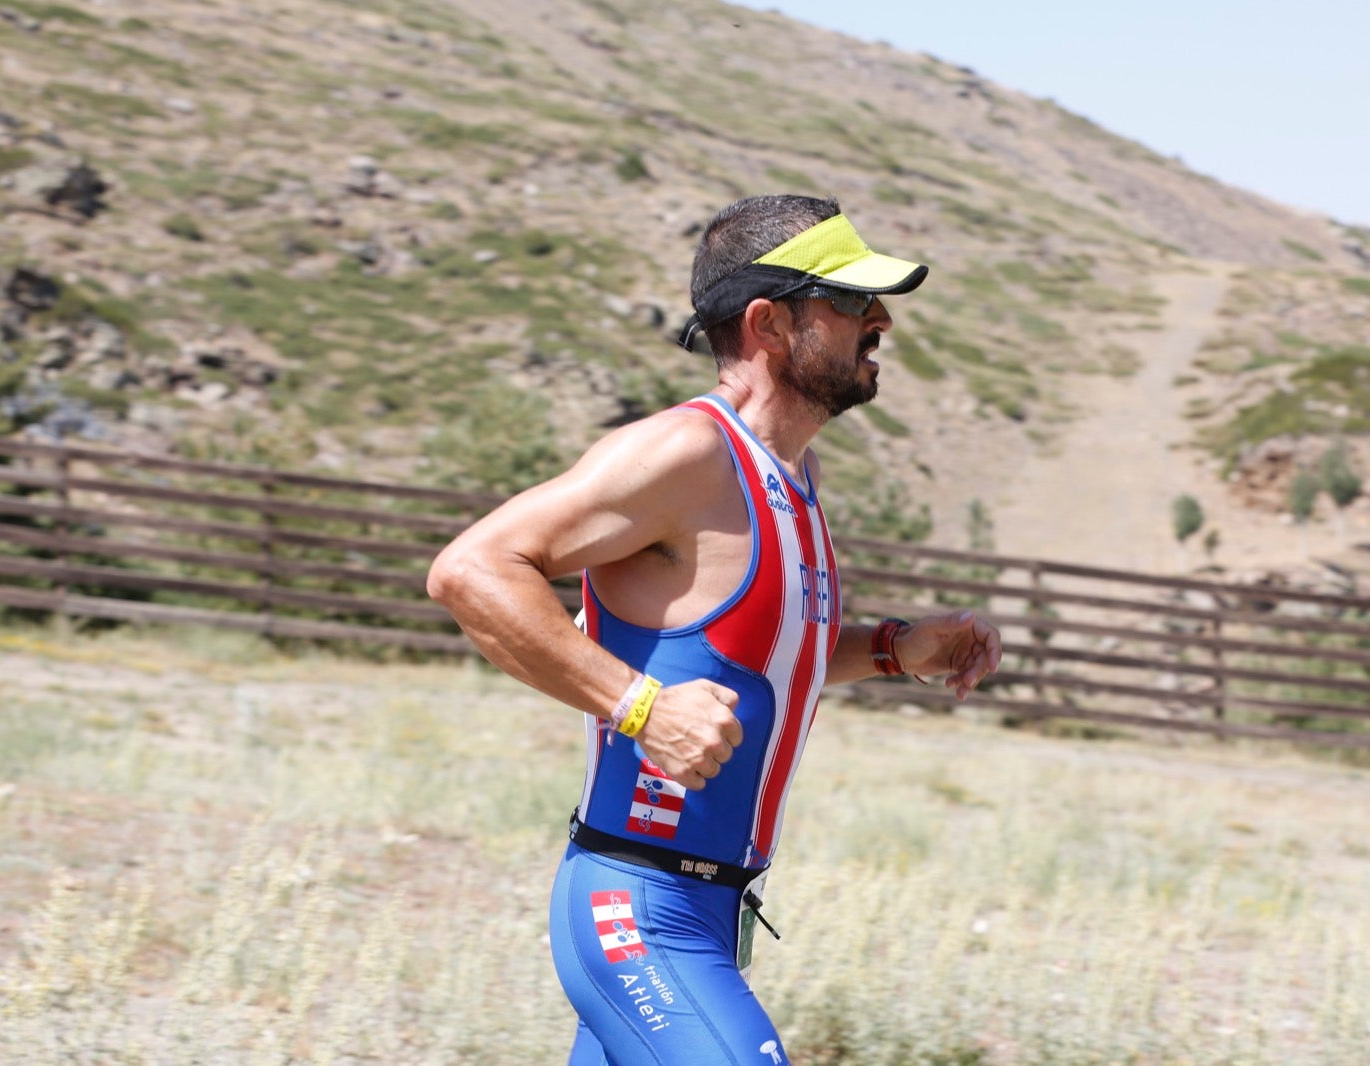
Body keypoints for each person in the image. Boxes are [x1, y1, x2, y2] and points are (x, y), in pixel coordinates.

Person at [427, 194, 1002, 1065]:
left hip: (711, 911)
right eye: (851, 302)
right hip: (637, 905)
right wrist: (639, 708)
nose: (880, 320)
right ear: (771, 322)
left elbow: (757, 662)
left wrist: (893, 649)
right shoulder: (687, 455)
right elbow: (470, 569)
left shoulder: (790, 479)